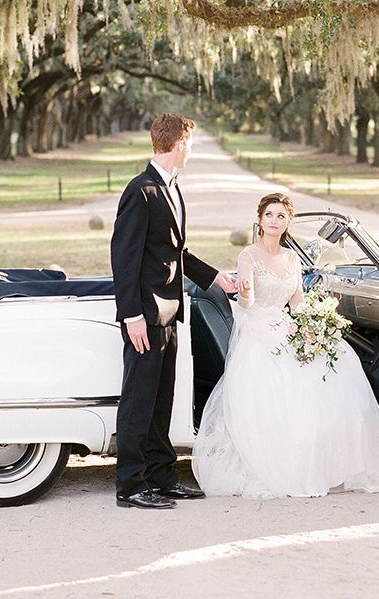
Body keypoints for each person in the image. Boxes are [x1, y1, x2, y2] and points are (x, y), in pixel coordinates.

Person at [192, 193, 379, 498]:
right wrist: (243, 291)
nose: (274, 221)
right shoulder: (248, 256)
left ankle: (329, 458)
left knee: (340, 360)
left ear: (287, 222)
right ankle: (284, 461)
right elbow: (248, 303)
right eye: (269, 215)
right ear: (260, 219)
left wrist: (316, 322)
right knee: (281, 381)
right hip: (257, 328)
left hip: (285, 324)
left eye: (281, 216)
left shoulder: (292, 258)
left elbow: (296, 302)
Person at [110, 113, 238, 510]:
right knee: (138, 400)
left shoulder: (171, 189)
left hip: (170, 313)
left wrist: (215, 278)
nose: (191, 152)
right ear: (179, 145)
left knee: (162, 399)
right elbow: (123, 258)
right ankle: (130, 486)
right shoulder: (141, 190)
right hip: (145, 316)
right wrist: (131, 315)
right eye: (190, 145)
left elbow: (176, 252)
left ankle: (162, 477)